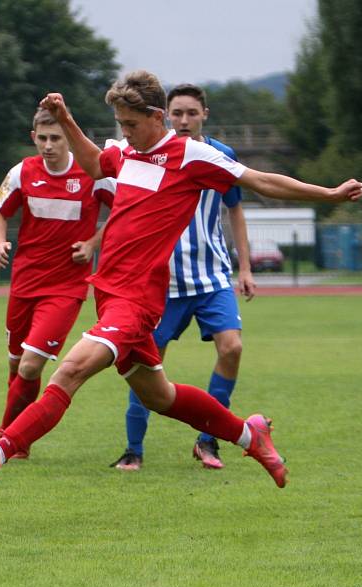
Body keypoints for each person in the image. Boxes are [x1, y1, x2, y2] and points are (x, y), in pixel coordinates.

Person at [0, 70, 362, 491]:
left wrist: (329, 194)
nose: (125, 132)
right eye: (121, 124)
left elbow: (259, 180)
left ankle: (3, 450)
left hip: (137, 300)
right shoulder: (125, 153)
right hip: (109, 293)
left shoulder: (191, 155)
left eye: (132, 124)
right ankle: (251, 436)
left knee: (70, 370)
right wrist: (65, 118)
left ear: (157, 116)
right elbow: (92, 162)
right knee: (160, 396)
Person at [111, 83, 256, 472]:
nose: (185, 120)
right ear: (165, 116)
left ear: (204, 114)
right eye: (178, 113)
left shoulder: (218, 156)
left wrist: (244, 266)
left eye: (192, 112)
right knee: (148, 363)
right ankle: (133, 449)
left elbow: (235, 209)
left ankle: (209, 441)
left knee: (232, 348)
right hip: (165, 283)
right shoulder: (147, 156)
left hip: (211, 277)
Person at [0, 107, 115, 458]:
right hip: (24, 283)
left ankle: (3, 440)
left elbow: (124, 210)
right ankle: (20, 444)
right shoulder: (22, 172)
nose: (48, 145)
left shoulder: (93, 173)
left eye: (56, 138)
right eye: (42, 138)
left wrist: (92, 244)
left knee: (31, 364)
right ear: (34, 138)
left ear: (68, 138)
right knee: (16, 365)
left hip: (66, 287)